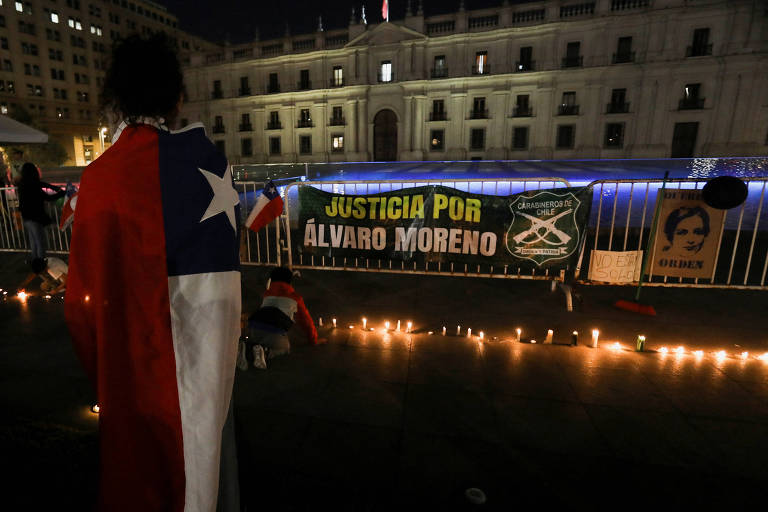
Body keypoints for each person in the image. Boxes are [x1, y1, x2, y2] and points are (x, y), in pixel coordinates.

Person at [65, 34, 241, 512]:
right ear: (177, 99)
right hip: (208, 375)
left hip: (132, 378)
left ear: (114, 101)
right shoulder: (210, 167)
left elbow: (81, 309)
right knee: (204, 471)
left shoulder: (99, 180)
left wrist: (108, 375)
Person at [239, 266, 322, 370]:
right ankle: (265, 352)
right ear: (290, 281)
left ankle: (246, 348)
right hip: (274, 332)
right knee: (285, 348)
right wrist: (313, 340)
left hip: (253, 328)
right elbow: (305, 321)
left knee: (258, 341)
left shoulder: (267, 294)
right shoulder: (295, 297)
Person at [17, 162, 64, 265]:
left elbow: (42, 184)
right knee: (40, 242)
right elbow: (48, 198)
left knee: (33, 242)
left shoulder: (23, 184)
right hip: (35, 217)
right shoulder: (33, 185)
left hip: (26, 217)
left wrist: (52, 187)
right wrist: (61, 193)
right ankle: (41, 264)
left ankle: (35, 261)